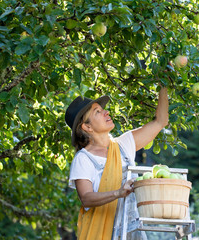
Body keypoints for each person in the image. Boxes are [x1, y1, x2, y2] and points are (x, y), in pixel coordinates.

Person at [65, 87, 168, 240]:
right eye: (97, 112)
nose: (106, 112)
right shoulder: (83, 159)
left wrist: (164, 85)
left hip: (132, 233)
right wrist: (118, 193)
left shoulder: (123, 145)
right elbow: (86, 198)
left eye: (103, 109)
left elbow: (160, 121)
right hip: (101, 234)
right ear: (87, 127)